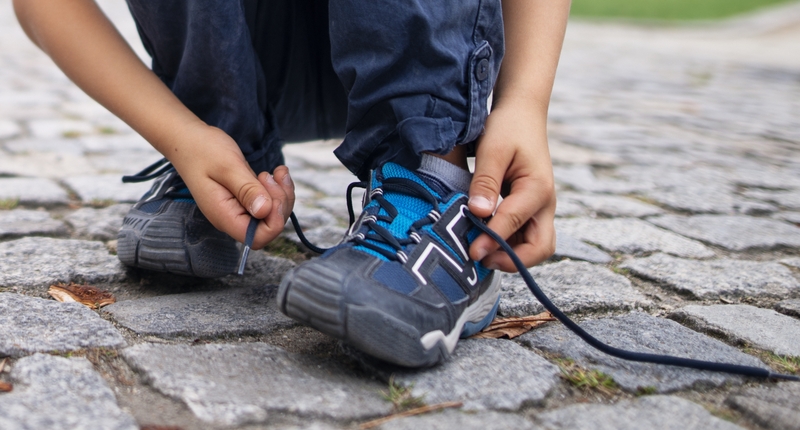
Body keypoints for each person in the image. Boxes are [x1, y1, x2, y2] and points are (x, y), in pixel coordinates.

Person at [14, 0, 569, 367]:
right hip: (254, 46)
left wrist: (524, 100)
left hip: (412, 31)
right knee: (211, 133)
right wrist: (182, 135)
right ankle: (226, 154)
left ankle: (431, 182)